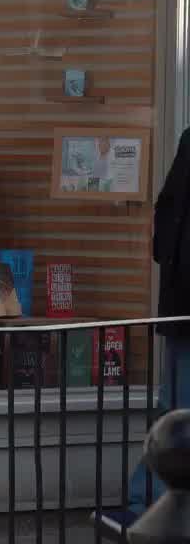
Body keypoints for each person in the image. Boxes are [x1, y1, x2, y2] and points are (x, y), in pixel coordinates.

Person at [95, 126, 190, 533]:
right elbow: (168, 212)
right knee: (175, 412)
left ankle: (147, 505)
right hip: (181, 306)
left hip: (180, 303)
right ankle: (148, 505)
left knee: (175, 410)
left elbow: (167, 213)